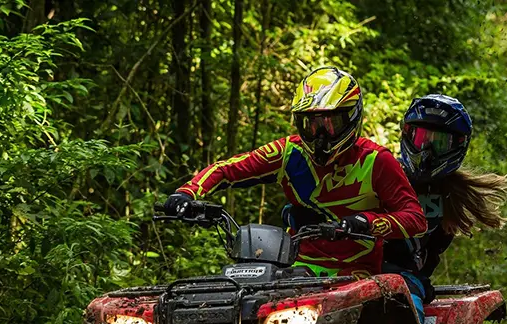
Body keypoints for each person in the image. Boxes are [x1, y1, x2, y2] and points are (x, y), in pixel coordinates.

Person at [162, 66, 426, 278]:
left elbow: (415, 218)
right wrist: (186, 193)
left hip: (356, 274)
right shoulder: (288, 152)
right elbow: (226, 169)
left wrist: (367, 222)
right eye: (310, 124)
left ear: (352, 118)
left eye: (330, 124)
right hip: (295, 268)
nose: (320, 135)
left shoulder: (376, 160)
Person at [382, 94, 507, 323]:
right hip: (359, 271)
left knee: (407, 321)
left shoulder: (451, 195)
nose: (427, 151)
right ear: (407, 134)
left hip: (404, 284)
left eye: (439, 143)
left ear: (457, 146)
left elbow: (432, 252)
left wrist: (418, 277)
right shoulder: (382, 174)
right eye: (421, 139)